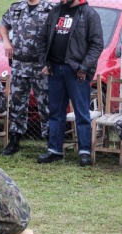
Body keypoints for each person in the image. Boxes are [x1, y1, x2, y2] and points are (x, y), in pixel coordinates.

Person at [36, 0, 103, 167]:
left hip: (76, 71)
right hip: (55, 69)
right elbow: (43, 38)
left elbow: (97, 44)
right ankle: (54, 150)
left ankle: (84, 152)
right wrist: (44, 62)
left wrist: (84, 67)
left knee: (82, 113)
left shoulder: (89, 14)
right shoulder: (55, 11)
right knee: (56, 112)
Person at [0, 0, 53, 156]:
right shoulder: (16, 8)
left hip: (41, 65)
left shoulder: (49, 9)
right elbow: (3, 25)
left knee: (45, 103)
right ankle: (15, 139)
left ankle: (50, 141)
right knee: (16, 103)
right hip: (19, 64)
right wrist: (6, 42)